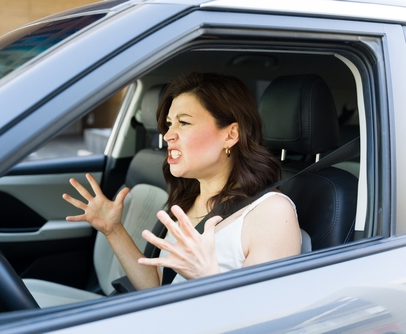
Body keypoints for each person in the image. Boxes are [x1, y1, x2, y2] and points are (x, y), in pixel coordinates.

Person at [62, 72, 301, 289]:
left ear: (230, 135)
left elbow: (263, 321)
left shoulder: (271, 213)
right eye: (169, 124)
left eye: (183, 122)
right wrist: (113, 230)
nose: (167, 135)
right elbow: (158, 288)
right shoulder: (188, 201)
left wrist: (206, 277)